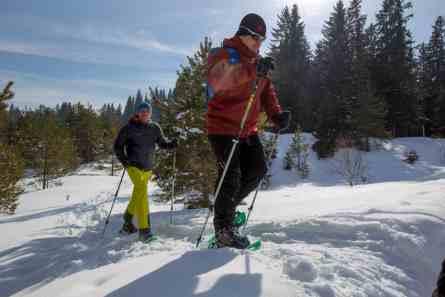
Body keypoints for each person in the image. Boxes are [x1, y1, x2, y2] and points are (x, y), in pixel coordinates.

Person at [206, 13, 290, 249]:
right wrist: (254, 71)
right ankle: (223, 229)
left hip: (247, 129)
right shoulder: (222, 54)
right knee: (230, 177)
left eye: (262, 38)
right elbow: (219, 80)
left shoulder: (258, 63)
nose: (259, 42)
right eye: (255, 36)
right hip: (222, 127)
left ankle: (228, 212)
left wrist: (276, 115)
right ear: (242, 33)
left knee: (257, 170)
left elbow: (266, 93)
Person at [114, 102, 177, 242]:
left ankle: (128, 221)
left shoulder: (154, 128)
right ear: (137, 113)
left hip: (147, 168)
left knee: (139, 192)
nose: (144, 113)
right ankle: (144, 231)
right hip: (133, 166)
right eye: (142, 111)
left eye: (147, 111)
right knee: (141, 190)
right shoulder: (128, 128)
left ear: (150, 113)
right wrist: (125, 161)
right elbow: (118, 147)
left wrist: (172, 144)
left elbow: (162, 143)